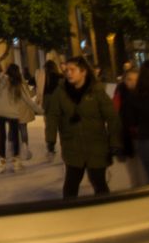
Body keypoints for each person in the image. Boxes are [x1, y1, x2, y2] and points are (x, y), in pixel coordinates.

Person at [45, 55, 122, 198]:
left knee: (99, 183)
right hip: (72, 146)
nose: (68, 73)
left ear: (83, 72)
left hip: (96, 146)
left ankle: (106, 213)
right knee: (71, 185)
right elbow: (52, 116)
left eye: (72, 70)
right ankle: (70, 214)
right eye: (66, 70)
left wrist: (114, 142)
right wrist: (50, 139)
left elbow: (112, 117)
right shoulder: (60, 92)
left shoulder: (96, 91)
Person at [0, 63, 40, 173]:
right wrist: (41, 110)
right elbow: (28, 100)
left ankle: (1, 163)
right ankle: (16, 162)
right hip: (12, 112)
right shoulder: (18, 83)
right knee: (14, 136)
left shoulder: (2, 81)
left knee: (2, 136)